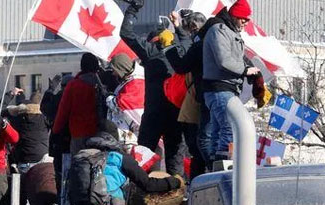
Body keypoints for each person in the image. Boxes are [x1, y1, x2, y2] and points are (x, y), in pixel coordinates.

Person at [120, 2, 186, 176]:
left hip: (154, 113)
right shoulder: (181, 51)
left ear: (151, 40)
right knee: (175, 163)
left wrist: (133, 9)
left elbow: (126, 33)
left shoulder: (149, 51)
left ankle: (140, 195)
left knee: (142, 159)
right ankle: (178, 197)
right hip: (176, 114)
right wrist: (179, 28)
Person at [203, 0, 259, 161]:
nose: (246, 22)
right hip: (220, 89)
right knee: (231, 127)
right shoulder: (219, 31)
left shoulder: (227, 32)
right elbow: (224, 60)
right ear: (235, 16)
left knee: (218, 131)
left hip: (222, 89)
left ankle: (214, 167)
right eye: (243, 18)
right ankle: (224, 165)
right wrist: (245, 70)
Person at [164, 10, 210, 177]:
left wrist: (168, 47)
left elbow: (182, 64)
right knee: (201, 147)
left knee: (198, 148)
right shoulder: (210, 43)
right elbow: (187, 44)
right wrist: (177, 25)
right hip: (200, 102)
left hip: (193, 104)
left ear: (194, 28)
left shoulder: (198, 46)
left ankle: (197, 182)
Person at [53, 53, 104, 155]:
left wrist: (56, 130)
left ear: (82, 66)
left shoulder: (73, 85)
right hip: (100, 132)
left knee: (79, 163)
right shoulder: (101, 84)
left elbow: (63, 110)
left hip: (78, 133)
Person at [4, 88, 50, 174]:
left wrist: (11, 94)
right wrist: (50, 91)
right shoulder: (43, 118)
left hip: (25, 160)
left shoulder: (17, 118)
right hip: (43, 159)